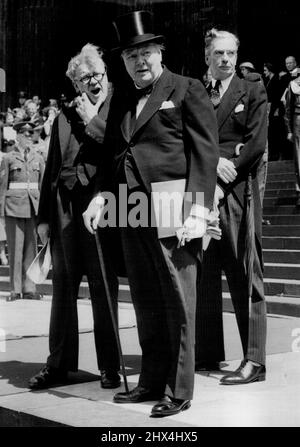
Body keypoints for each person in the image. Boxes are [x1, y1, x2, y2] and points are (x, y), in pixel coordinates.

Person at [83, 10, 219, 417]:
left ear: (160, 51)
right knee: (145, 297)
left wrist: (198, 208)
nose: (139, 62)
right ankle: (150, 380)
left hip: (172, 203)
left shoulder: (186, 88)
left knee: (178, 300)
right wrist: (101, 197)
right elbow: (112, 155)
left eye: (145, 52)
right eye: (130, 56)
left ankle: (179, 390)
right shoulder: (122, 97)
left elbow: (205, 152)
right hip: (131, 207)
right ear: (122, 62)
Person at [28, 43, 121, 391]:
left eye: (97, 75)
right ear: (76, 84)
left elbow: (117, 153)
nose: (93, 82)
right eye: (85, 79)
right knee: (63, 291)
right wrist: (43, 217)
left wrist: (91, 118)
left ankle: (110, 367)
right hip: (64, 212)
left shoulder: (118, 107)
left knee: (102, 289)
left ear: (106, 74)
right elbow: (52, 168)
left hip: (101, 206)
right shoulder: (64, 116)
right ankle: (58, 365)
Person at [195, 28, 268, 385]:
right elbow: (185, 137)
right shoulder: (195, 91)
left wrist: (226, 174)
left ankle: (254, 359)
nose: (225, 60)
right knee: (204, 268)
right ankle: (207, 351)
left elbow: (255, 143)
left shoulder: (251, 88)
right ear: (207, 55)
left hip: (238, 190)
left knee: (244, 271)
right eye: (218, 53)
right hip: (201, 189)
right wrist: (213, 163)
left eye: (230, 53)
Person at [0, 121, 45, 301]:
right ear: (17, 135)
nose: (28, 137)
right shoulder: (8, 158)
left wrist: (43, 210)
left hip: (33, 207)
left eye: (30, 133)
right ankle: (15, 289)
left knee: (31, 250)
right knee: (16, 250)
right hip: (13, 207)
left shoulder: (38, 158)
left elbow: (42, 186)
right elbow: (2, 186)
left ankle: (29, 288)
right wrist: (1, 213)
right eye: (24, 134)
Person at [284, 73, 300, 206]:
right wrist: (289, 130)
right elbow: (288, 108)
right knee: (299, 159)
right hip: (298, 120)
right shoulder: (294, 84)